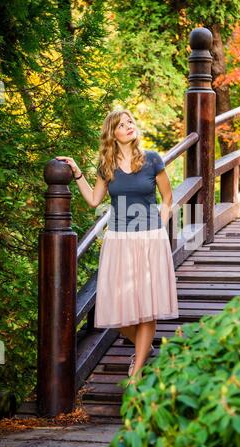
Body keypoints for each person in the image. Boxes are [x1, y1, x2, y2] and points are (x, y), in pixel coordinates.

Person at [55, 108, 179, 386]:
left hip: (150, 240)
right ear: (113, 133)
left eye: (131, 121)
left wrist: (159, 227)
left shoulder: (152, 160)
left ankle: (135, 373)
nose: (129, 126)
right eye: (122, 124)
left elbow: (168, 197)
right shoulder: (106, 167)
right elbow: (93, 200)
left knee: (148, 307)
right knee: (120, 314)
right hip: (119, 242)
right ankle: (144, 350)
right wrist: (77, 172)